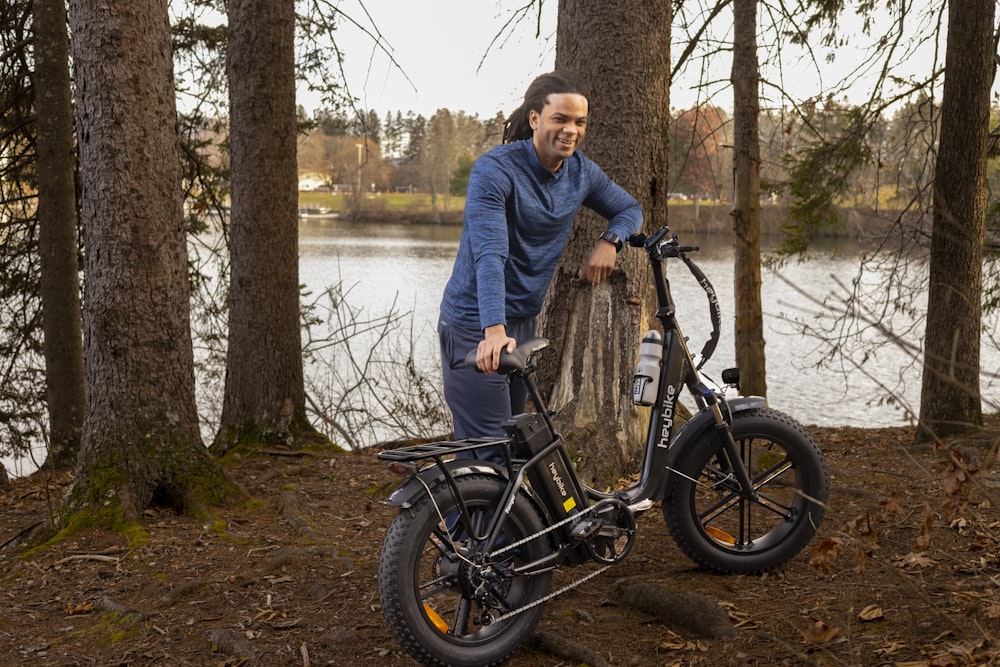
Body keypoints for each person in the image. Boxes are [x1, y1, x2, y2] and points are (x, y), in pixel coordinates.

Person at [438, 71, 643, 448]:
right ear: (535, 119)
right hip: (476, 326)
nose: (571, 131)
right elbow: (490, 254)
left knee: (516, 451)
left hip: (521, 325)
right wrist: (493, 331)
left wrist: (610, 241)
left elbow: (630, 209)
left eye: (579, 122)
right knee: (487, 457)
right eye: (560, 119)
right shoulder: (495, 170)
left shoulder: (581, 172)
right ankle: (449, 508)